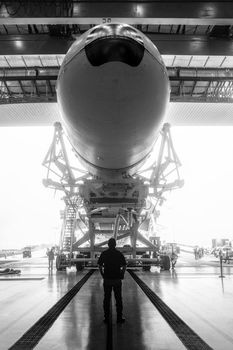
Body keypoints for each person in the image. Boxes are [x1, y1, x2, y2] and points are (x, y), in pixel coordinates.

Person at [98, 238, 127, 324]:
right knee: (118, 299)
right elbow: (124, 266)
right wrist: (122, 274)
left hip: (107, 279)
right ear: (115, 245)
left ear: (108, 244)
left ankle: (106, 318)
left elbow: (99, 266)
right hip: (117, 279)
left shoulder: (104, 254)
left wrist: (102, 274)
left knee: (106, 299)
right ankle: (119, 318)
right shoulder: (119, 254)